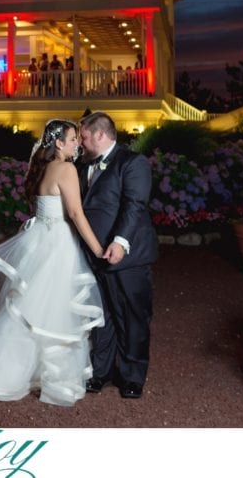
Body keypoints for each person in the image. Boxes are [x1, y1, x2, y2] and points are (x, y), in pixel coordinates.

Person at [0, 119, 106, 406]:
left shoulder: (41, 167)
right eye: (73, 138)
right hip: (57, 244)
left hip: (38, 238)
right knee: (50, 311)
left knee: (29, 309)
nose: (77, 142)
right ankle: (37, 377)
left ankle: (5, 374)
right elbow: (76, 215)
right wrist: (99, 250)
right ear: (59, 143)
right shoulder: (65, 169)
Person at [77, 111, 157, 399]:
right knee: (101, 316)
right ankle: (100, 372)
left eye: (84, 136)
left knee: (132, 316)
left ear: (100, 134)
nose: (81, 143)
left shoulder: (132, 163)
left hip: (128, 257)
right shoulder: (80, 164)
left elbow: (134, 205)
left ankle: (132, 376)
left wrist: (121, 242)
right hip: (92, 254)